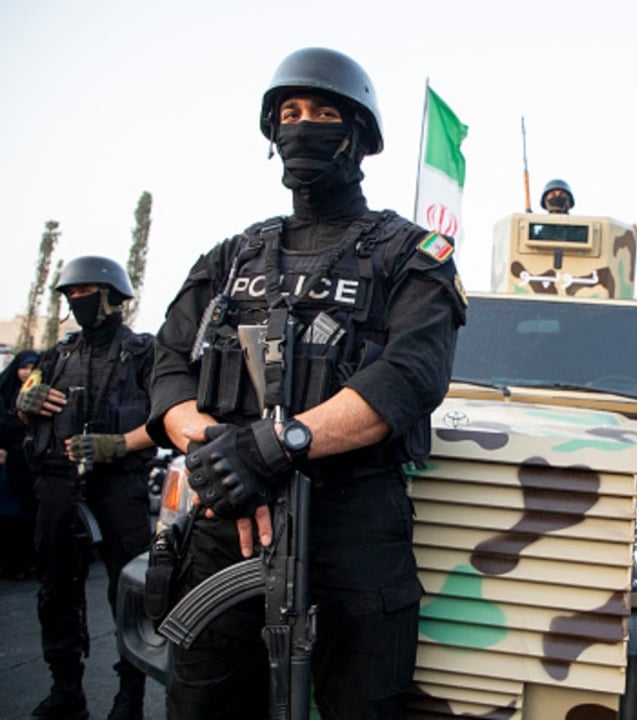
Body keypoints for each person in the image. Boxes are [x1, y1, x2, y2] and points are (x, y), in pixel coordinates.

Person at [148, 47, 466, 720]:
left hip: (353, 525)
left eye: (323, 113)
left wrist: (272, 447)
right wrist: (217, 452)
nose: (303, 126)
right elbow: (170, 363)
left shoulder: (413, 255)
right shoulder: (234, 255)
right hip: (228, 521)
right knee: (203, 704)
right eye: (289, 113)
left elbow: (410, 374)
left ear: (359, 135)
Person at [17, 257, 156, 720]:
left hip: (119, 486)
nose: (78, 300)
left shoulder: (143, 353)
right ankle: (65, 691)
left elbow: (167, 420)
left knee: (129, 593)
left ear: (112, 296)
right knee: (55, 591)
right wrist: (26, 403)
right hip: (58, 484)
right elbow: (24, 412)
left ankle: (129, 697)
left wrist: (118, 444)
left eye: (86, 292)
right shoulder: (57, 356)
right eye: (71, 294)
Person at [0, 349, 39, 579]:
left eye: (32, 368)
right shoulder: (5, 392)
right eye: (23, 367)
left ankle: (25, 562)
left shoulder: (38, 393)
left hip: (29, 462)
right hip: (7, 462)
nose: (27, 373)